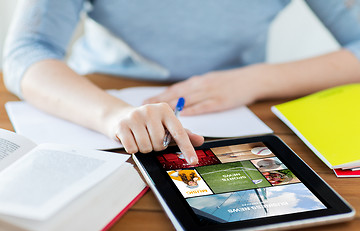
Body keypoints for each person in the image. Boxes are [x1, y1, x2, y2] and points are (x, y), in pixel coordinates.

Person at [3, 1, 360, 165]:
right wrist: (113, 116)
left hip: (238, 109)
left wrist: (256, 79)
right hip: (95, 97)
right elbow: (25, 51)